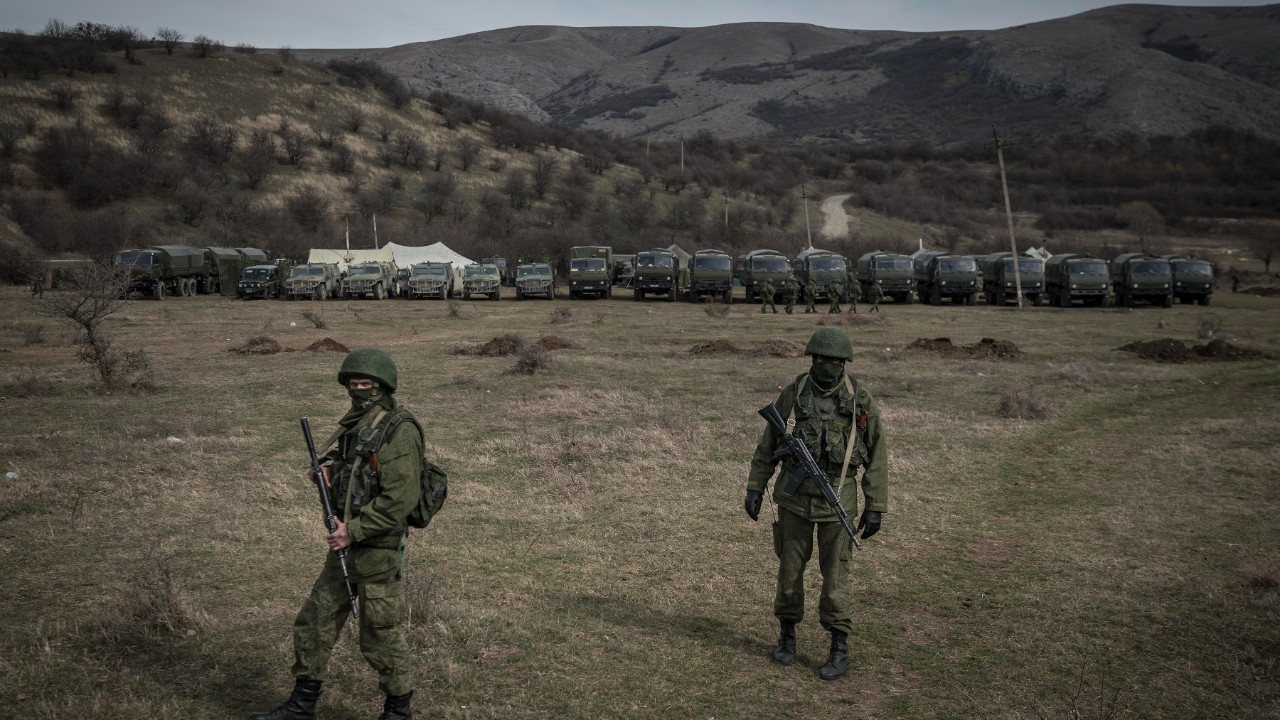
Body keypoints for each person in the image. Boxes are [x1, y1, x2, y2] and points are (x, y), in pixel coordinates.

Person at [251, 348, 423, 720]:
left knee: (380, 635)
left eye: (366, 384)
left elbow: (401, 498)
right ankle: (301, 706)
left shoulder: (399, 430)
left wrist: (354, 531)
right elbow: (356, 473)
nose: (358, 389)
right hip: (345, 546)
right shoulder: (357, 424)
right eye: (353, 383)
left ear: (382, 387)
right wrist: (329, 475)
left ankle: (398, 713)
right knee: (314, 621)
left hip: (377, 549)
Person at [744, 328, 888, 681]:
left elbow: (878, 454)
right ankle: (787, 634)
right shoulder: (793, 395)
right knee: (789, 573)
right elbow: (768, 446)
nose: (831, 367)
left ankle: (839, 647)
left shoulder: (860, 400)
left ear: (845, 364)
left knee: (836, 577)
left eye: (838, 362)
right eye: (824, 361)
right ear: (813, 359)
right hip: (794, 502)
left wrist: (875, 505)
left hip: (839, 499)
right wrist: (755, 488)